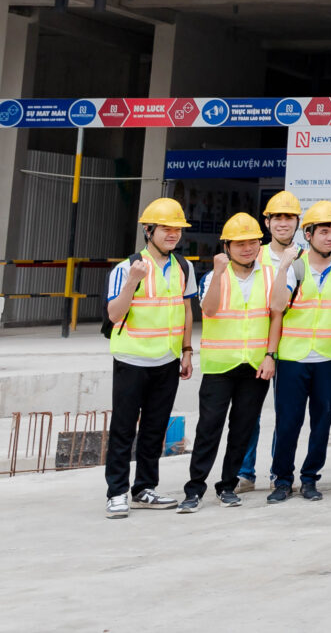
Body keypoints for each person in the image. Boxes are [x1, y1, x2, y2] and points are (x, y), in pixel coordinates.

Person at [103, 198, 198, 518]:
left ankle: (144, 488)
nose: (173, 234)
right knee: (123, 428)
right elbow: (115, 314)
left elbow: (186, 311)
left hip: (167, 361)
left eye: (177, 229)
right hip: (132, 359)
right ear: (149, 230)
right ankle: (116, 492)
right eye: (166, 228)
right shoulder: (126, 267)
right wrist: (133, 279)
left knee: (155, 428)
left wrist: (186, 351)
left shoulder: (184, 267)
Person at [178, 213, 277, 513]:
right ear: (227, 246)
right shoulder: (213, 276)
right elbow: (208, 310)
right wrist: (219, 273)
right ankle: (195, 489)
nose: (247, 248)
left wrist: (270, 356)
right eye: (240, 243)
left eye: (253, 242)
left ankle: (228, 486)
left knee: (243, 428)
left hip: (255, 365)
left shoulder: (270, 275)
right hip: (220, 366)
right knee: (209, 428)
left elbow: (277, 318)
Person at [267, 200, 331, 503]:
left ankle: (310, 478)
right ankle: (282, 479)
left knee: (322, 422)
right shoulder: (296, 267)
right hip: (293, 358)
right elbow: (277, 306)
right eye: (325, 231)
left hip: (330, 359)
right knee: (288, 422)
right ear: (309, 234)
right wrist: (282, 267)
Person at [227, 189, 302, 492]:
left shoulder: (303, 258)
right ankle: (245, 472)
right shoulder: (249, 253)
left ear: (298, 222)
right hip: (256, 345)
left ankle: (278, 471)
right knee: (249, 413)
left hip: (290, 347)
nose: (283, 223)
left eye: (289, 217)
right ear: (267, 222)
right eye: (277, 217)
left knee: (285, 413)